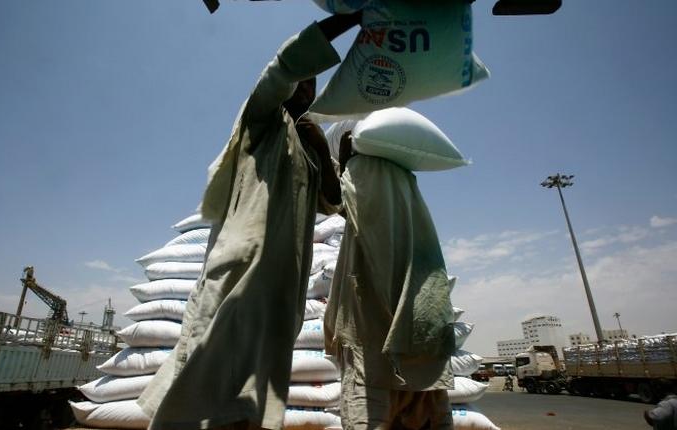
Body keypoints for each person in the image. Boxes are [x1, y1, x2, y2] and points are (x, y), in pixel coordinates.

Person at [138, 13, 361, 430]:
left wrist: (333, 153)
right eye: (303, 79)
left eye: (313, 84)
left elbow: (334, 202)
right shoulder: (261, 118)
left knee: (252, 396)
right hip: (239, 274)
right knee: (204, 379)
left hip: (280, 290)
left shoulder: (309, 147)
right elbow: (284, 64)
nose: (306, 88)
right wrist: (350, 19)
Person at [323, 132, 456, 430]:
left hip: (374, 356)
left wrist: (342, 162)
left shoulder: (364, 172)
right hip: (424, 341)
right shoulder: (407, 182)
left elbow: (335, 201)